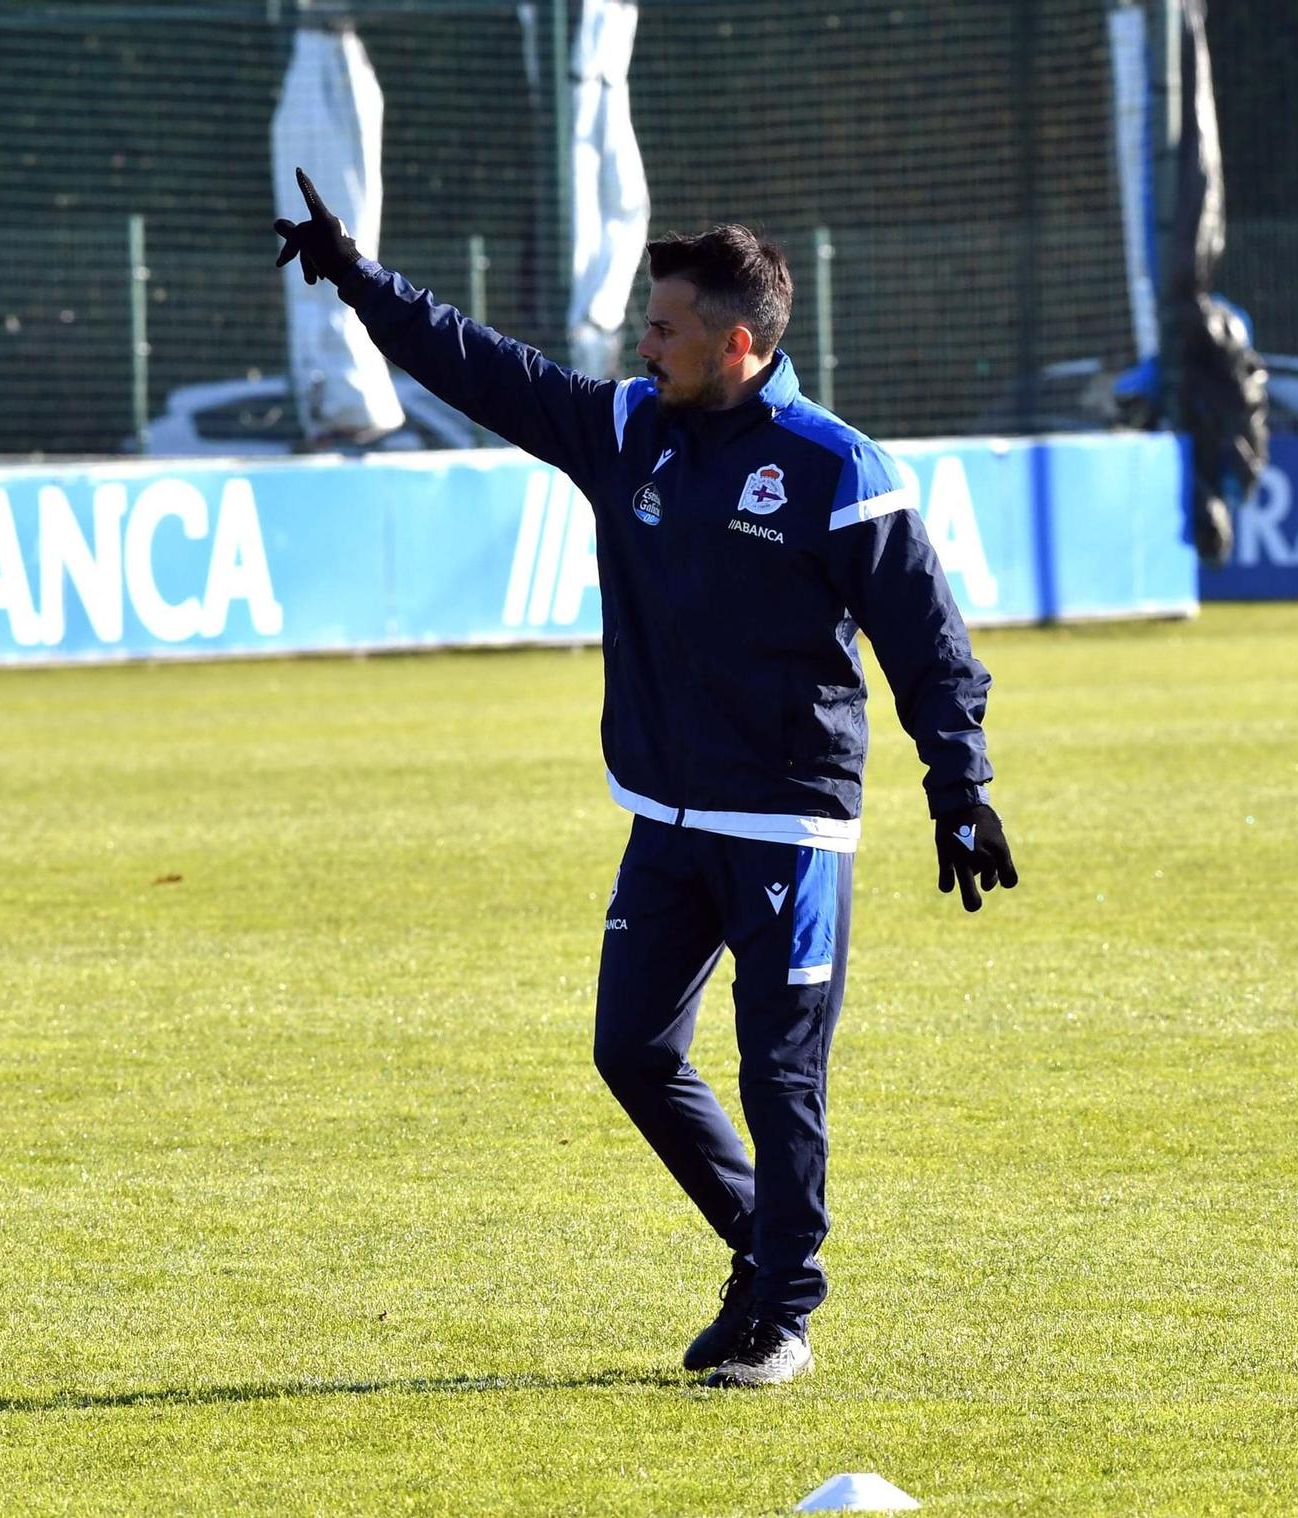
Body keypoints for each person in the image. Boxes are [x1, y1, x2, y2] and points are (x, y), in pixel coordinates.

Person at [275, 173, 1017, 1388]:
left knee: (778, 1072)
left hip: (788, 830)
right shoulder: (628, 429)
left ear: (738, 342)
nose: (642, 342)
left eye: (663, 326)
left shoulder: (835, 469)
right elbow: (484, 369)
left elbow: (927, 645)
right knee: (629, 1048)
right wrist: (361, 280)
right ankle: (756, 1252)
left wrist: (960, 784)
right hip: (666, 824)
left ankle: (781, 1312)